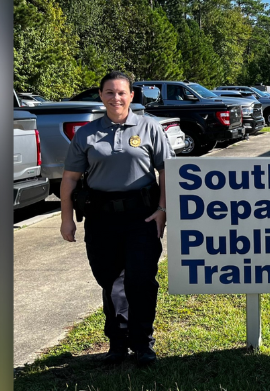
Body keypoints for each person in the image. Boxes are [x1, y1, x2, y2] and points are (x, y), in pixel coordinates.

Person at [60, 71, 173, 366]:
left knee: (141, 279)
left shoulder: (150, 128)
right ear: (101, 96)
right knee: (110, 281)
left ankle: (143, 343)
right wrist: (66, 219)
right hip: (101, 218)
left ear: (132, 96)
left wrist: (162, 211)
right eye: (109, 92)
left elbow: (167, 172)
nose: (116, 98)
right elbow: (70, 179)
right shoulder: (86, 134)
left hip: (142, 215)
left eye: (122, 92)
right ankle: (118, 343)